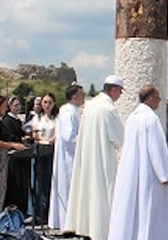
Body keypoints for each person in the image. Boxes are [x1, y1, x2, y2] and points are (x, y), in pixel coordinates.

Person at [64, 75, 125, 240]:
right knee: (103, 192)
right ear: (113, 90)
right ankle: (102, 230)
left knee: (89, 191)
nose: (120, 95)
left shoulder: (90, 106)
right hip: (103, 157)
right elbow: (120, 138)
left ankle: (88, 228)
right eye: (120, 91)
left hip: (88, 158)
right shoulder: (108, 109)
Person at [109, 85, 168, 240]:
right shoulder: (151, 119)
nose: (159, 102)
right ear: (150, 98)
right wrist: (164, 174)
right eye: (157, 98)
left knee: (133, 209)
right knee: (148, 211)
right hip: (149, 173)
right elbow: (157, 149)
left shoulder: (132, 117)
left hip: (132, 171)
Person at [48, 84, 84, 230]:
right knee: (68, 187)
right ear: (74, 96)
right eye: (82, 94)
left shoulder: (70, 111)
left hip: (68, 156)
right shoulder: (69, 112)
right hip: (69, 157)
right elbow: (69, 137)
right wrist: (85, 142)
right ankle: (68, 223)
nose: (84, 96)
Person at [2, 96, 30, 215]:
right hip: (14, 156)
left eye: (19, 105)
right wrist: (21, 139)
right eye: (15, 105)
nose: (18, 108)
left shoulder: (16, 120)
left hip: (21, 155)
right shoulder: (8, 120)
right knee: (15, 183)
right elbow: (9, 136)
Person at [34, 92, 58, 221]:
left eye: (49, 102)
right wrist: (42, 139)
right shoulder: (38, 118)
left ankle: (50, 210)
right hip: (40, 151)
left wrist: (51, 141)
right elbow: (35, 133)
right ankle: (39, 212)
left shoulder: (56, 118)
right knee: (39, 181)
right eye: (45, 102)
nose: (47, 105)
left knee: (50, 180)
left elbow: (58, 132)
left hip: (52, 151)